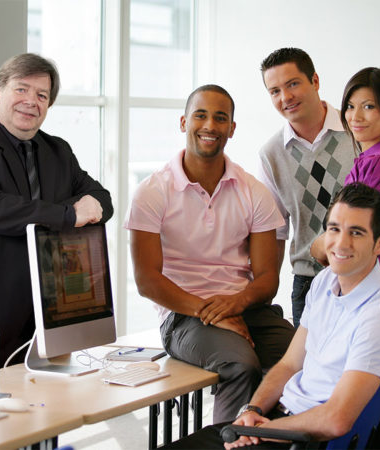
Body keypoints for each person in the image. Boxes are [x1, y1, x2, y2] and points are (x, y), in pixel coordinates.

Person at [163, 182, 380, 449]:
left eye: (357, 233)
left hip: (304, 438)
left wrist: (269, 430)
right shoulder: (326, 280)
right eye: (334, 229)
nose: (341, 243)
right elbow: (290, 365)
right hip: (282, 421)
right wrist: (251, 410)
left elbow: (336, 420)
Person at [0, 53, 113, 378]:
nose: (31, 101)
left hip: (48, 316)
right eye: (22, 89)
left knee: (51, 417)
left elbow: (102, 201)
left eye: (42, 95)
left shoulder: (57, 150)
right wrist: (69, 214)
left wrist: (73, 211)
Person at [125, 85, 295, 423]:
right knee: (240, 363)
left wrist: (232, 306)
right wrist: (211, 313)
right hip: (182, 315)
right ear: (183, 121)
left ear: (232, 129)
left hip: (244, 307)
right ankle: (229, 443)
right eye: (201, 115)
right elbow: (147, 281)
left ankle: (270, 441)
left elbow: (266, 279)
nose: (210, 126)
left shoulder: (253, 191)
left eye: (221, 118)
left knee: (303, 354)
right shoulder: (152, 192)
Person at [257, 48, 380, 327]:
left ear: (315, 81)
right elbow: (276, 232)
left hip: (361, 279)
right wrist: (266, 302)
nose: (285, 97)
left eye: (293, 84)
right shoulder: (271, 153)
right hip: (310, 284)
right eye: (274, 91)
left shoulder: (362, 137)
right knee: (314, 366)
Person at [312, 67, 380, 282]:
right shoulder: (376, 159)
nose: (355, 117)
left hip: (366, 282)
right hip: (361, 279)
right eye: (349, 106)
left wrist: (318, 246)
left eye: (368, 106)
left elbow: (344, 236)